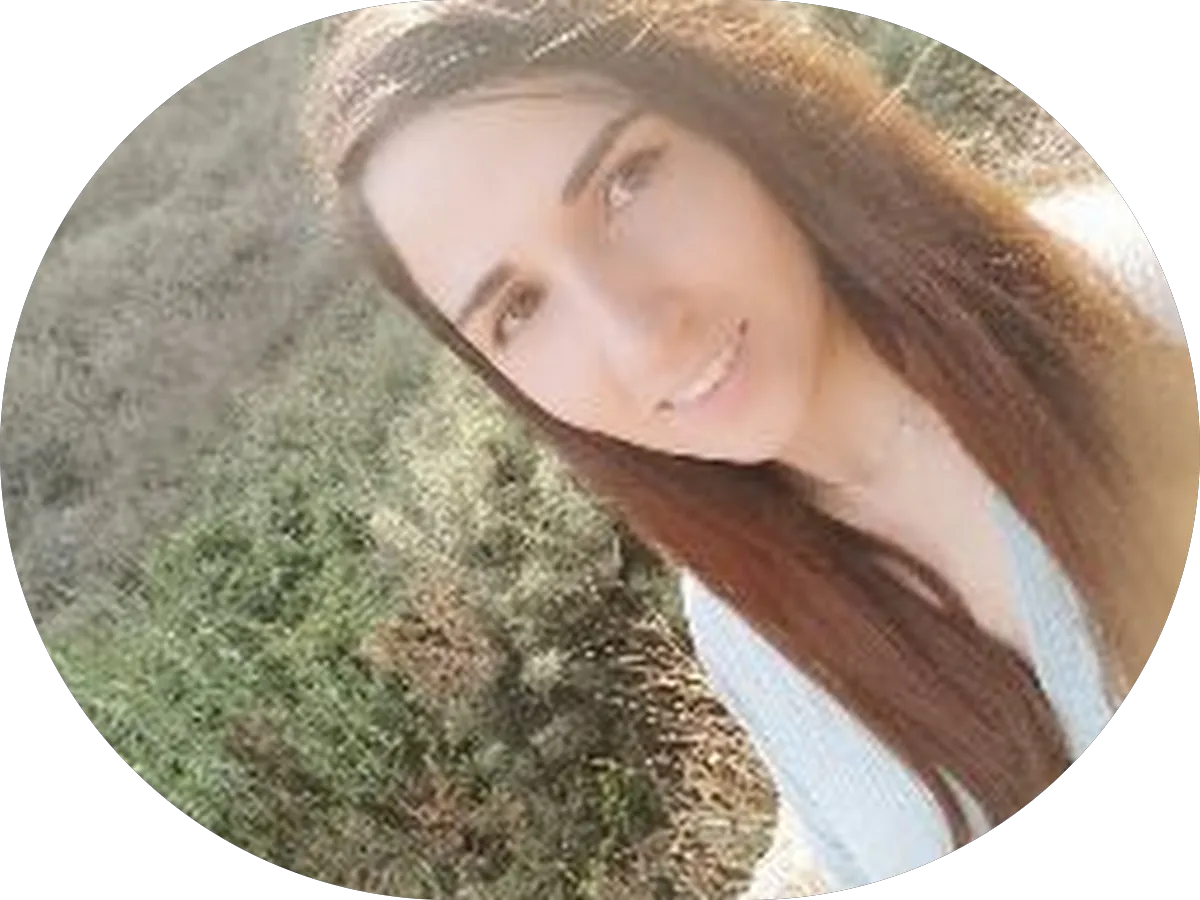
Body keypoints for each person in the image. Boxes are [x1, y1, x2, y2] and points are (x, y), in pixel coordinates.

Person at [299, 0, 1198, 892]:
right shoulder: (745, 628)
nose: (640, 338)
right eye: (520, 309)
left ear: (732, 102)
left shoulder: (1131, 312)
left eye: (625, 181)